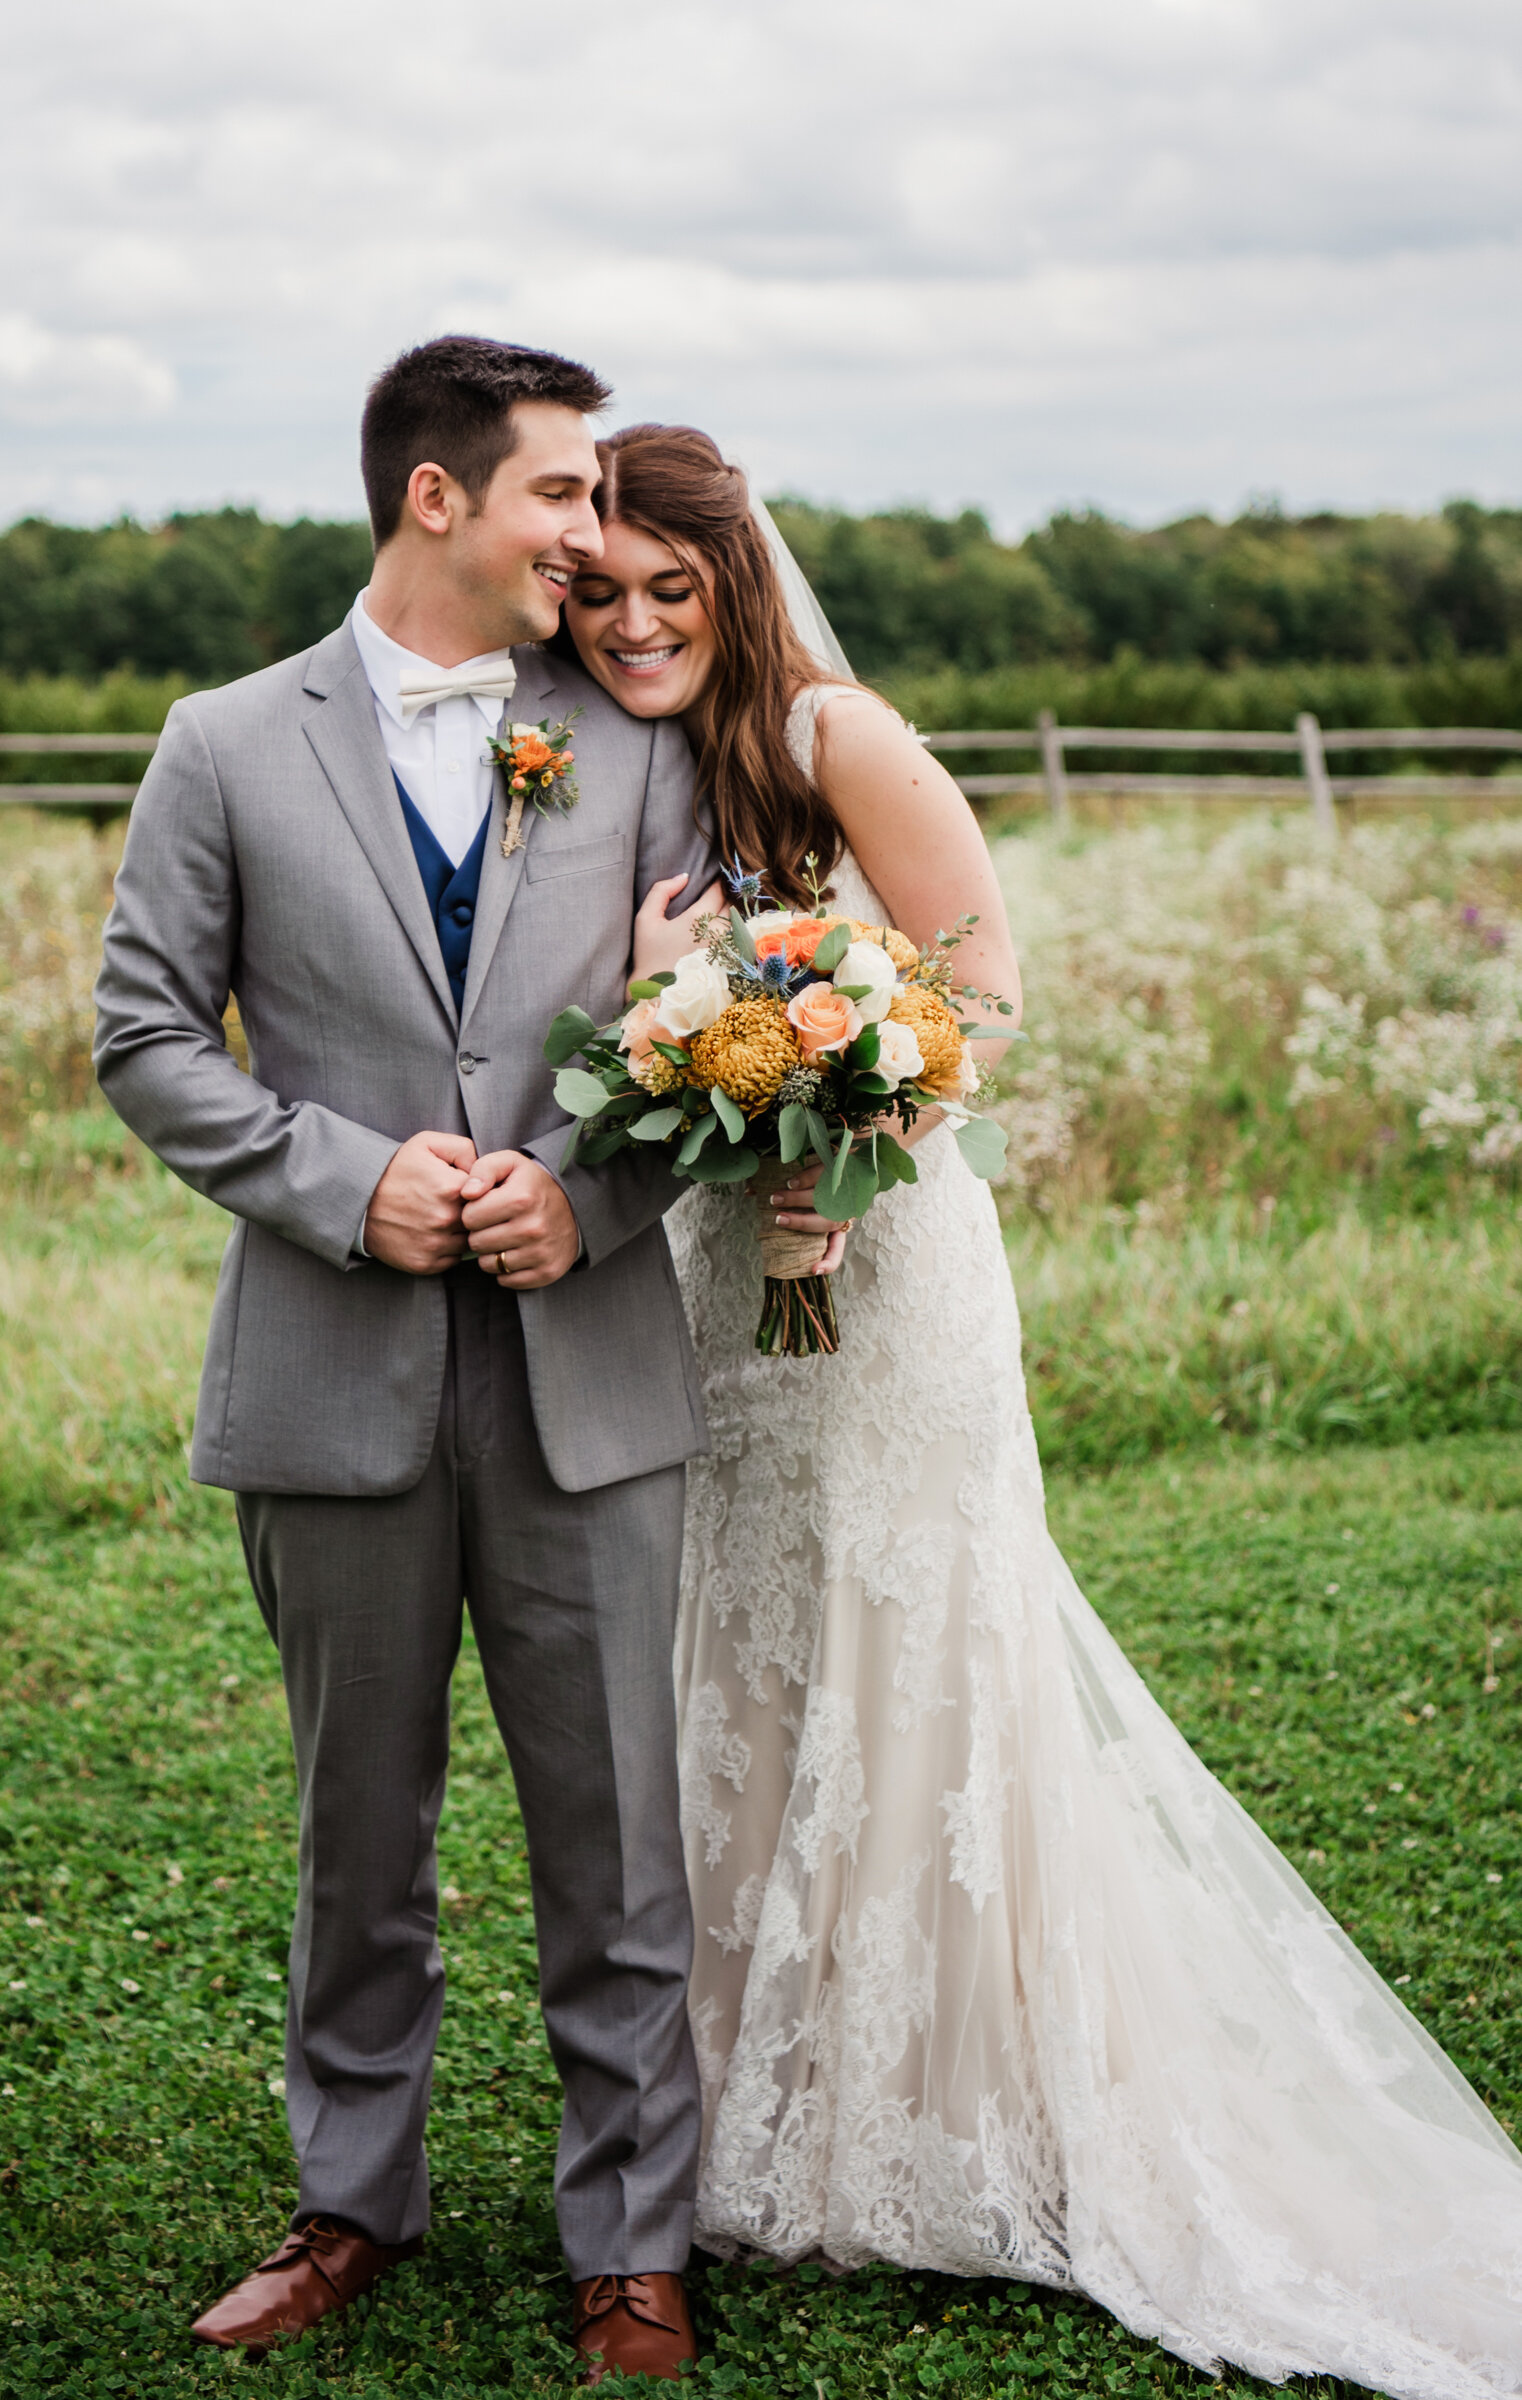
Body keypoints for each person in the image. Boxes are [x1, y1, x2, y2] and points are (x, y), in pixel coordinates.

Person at [560, 421, 1522, 2400]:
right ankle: (750, 2127)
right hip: (715, 1300)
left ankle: (954, 2108)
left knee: (916, 1648)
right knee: (738, 1659)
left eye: (680, 585)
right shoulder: (590, 764)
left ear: (739, 581)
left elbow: (978, 973)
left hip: (881, 1280)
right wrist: (657, 1016)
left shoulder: (835, 734)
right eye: (608, 588)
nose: (642, 621)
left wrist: (871, 1115)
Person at [94, 342, 724, 2387]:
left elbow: (698, 1036)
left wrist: (588, 1197)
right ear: (437, 502)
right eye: (559, 494)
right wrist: (346, 1181)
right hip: (329, 1368)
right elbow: (147, 1036)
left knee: (618, 1829)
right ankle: (349, 2208)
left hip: (589, 1369)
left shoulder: (636, 737)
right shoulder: (221, 742)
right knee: (354, 1828)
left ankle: (630, 2240)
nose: (591, 533)